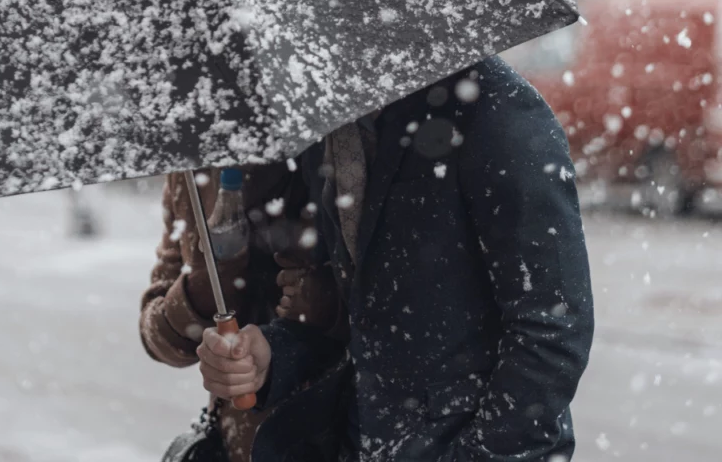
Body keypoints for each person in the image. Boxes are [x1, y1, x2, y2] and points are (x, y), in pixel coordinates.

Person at [196, 58, 596, 461]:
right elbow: (352, 314)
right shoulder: (328, 121)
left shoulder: (497, 107)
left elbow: (552, 328)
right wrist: (272, 357)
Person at [140, 165, 342, 462]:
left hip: (340, 427)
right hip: (239, 438)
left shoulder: (334, 144)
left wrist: (328, 304)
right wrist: (203, 289)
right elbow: (159, 339)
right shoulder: (191, 168)